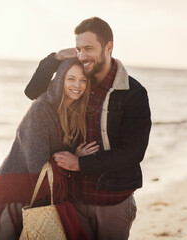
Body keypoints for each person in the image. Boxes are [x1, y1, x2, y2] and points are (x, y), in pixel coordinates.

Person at [24, 17, 152, 240]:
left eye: (89, 49)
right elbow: (33, 91)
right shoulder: (78, 81)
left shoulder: (133, 93)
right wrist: (56, 58)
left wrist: (80, 164)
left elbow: (133, 152)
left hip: (113, 201)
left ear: (108, 47)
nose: (82, 56)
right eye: (79, 49)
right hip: (74, 198)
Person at [0, 58, 97, 240]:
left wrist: (75, 160)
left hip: (36, 197)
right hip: (14, 197)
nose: (77, 85)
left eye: (83, 80)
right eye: (71, 78)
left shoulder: (72, 114)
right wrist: (74, 160)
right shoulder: (41, 109)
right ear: (60, 80)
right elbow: (37, 166)